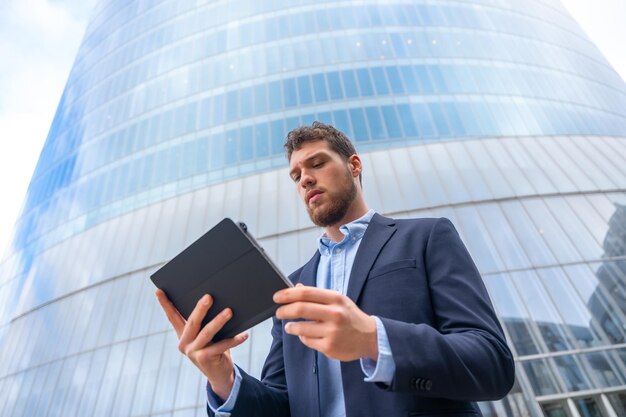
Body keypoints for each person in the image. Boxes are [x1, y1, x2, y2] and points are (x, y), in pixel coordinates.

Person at [156, 122, 515, 417]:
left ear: (354, 165)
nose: (305, 179)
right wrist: (224, 379)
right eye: (296, 175)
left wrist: (375, 340)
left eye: (317, 164)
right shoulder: (293, 288)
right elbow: (283, 405)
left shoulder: (426, 237)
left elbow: (491, 363)